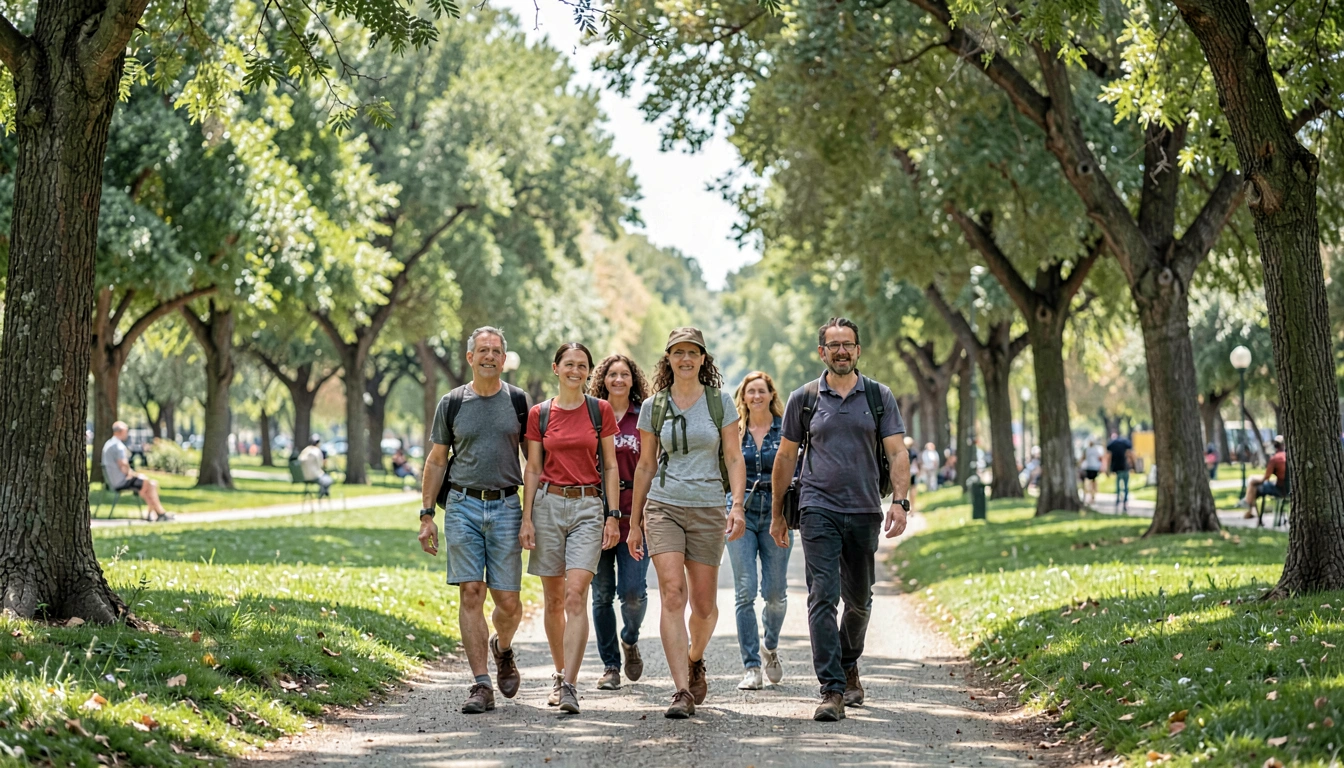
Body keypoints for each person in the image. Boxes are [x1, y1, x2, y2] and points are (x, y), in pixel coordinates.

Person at [771, 317, 910, 723]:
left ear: (858, 350)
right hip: (818, 508)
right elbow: (784, 457)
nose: (841, 351)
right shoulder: (805, 398)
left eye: (848, 344)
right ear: (822, 352)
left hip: (865, 508)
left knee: (861, 602)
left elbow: (898, 452)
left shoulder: (879, 397)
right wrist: (779, 513)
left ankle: (849, 662)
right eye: (833, 345)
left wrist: (900, 501)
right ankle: (831, 688)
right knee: (822, 597)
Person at [628, 327, 747, 719]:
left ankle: (695, 658)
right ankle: (681, 690)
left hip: (708, 507)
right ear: (668, 359)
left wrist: (737, 506)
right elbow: (645, 465)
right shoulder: (654, 406)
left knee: (705, 606)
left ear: (702, 359)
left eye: (692, 353)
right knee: (672, 594)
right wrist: (634, 520)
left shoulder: (720, 403)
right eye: (677, 352)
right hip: (663, 506)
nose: (684, 359)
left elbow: (733, 458)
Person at [417, 326, 530, 715]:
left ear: (503, 358)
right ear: (470, 357)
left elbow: (534, 464)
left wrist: (531, 514)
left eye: (496, 351)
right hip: (463, 505)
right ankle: (481, 684)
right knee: (471, 592)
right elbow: (435, 460)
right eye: (482, 350)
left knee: (509, 603)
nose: (489, 356)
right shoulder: (451, 403)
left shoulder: (518, 401)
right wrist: (426, 514)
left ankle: (502, 647)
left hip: (505, 506)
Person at [521, 343, 621, 714]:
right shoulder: (540, 414)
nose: (575, 370)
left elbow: (610, 466)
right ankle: (558, 670)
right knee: (554, 599)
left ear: (589, 372)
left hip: (587, 507)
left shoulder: (600, 411)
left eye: (582, 365)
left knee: (577, 593)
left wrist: (613, 515)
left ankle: (569, 685)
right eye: (569, 364)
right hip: (547, 504)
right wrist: (527, 516)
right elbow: (532, 468)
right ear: (556, 368)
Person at [588, 354, 652, 692]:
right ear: (603, 378)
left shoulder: (644, 417)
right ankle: (610, 665)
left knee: (632, 594)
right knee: (600, 595)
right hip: (594, 515)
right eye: (612, 374)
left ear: (633, 379)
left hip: (635, 516)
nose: (618, 379)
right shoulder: (592, 415)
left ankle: (630, 639)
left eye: (624, 374)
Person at [727, 371, 793, 691]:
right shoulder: (734, 433)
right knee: (744, 591)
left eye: (761, 391)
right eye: (750, 391)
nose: (756, 396)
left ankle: (770, 644)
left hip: (776, 514)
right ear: (743, 397)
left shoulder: (786, 429)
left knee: (776, 594)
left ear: (770, 394)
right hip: (742, 514)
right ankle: (751, 666)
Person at [101, 421, 173, 522]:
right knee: (148, 483)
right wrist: (133, 474)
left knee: (152, 483)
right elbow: (124, 466)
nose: (127, 434)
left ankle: (156, 513)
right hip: (121, 481)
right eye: (126, 431)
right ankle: (158, 513)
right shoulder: (118, 446)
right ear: (120, 432)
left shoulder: (109, 444)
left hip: (113, 480)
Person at [1245, 435, 1287, 519]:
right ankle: (1249, 508)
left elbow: (1266, 478)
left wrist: (1254, 480)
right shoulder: (1288, 457)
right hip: (1290, 489)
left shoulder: (1275, 459)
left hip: (1279, 489)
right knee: (1253, 485)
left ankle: (1250, 509)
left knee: (1253, 485)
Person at [1105, 432, 1133, 511]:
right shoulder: (1125, 445)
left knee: (1118, 486)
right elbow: (1130, 455)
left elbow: (1109, 457)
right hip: (1125, 468)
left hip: (1117, 468)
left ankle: (1118, 500)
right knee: (1126, 486)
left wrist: (1108, 469)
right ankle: (1125, 502)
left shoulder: (1112, 446)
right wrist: (1134, 466)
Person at [1080, 439, 1104, 505]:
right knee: (1093, 481)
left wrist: (1080, 464)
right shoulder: (1096, 450)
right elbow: (1100, 458)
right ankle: (1092, 495)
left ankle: (1090, 494)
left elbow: (1083, 458)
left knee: (1089, 481)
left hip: (1089, 467)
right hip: (1095, 467)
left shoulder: (1087, 450)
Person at [904, 436, 919, 510]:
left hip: (905, 472)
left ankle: (906, 506)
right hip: (913, 472)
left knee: (905, 490)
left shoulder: (902, 452)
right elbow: (917, 463)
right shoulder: (914, 452)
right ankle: (913, 507)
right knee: (913, 489)